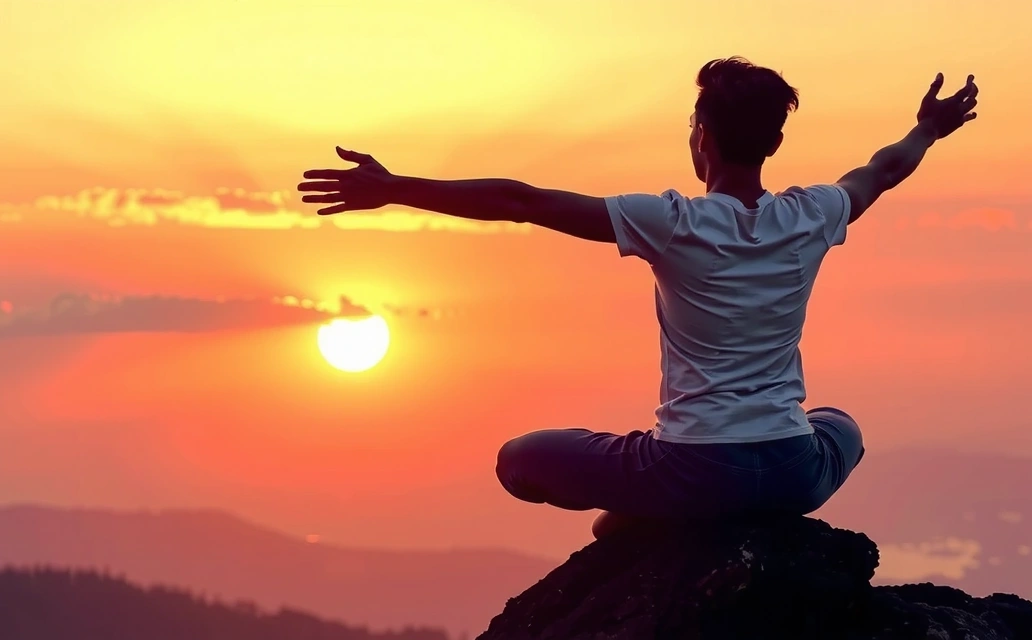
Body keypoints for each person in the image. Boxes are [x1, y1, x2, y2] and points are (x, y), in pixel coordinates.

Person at [297, 57, 980, 537]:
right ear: (774, 141)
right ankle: (698, 503)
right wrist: (929, 129)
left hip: (692, 471)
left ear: (701, 136)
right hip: (791, 471)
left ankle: (657, 511)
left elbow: (520, 201)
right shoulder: (814, 213)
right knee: (842, 426)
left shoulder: (672, 221)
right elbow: (882, 170)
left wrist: (395, 188)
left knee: (520, 458)